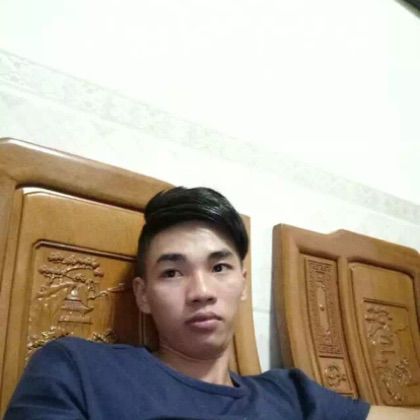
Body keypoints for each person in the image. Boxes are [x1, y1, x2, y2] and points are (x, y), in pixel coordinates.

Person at [4, 187, 419, 419]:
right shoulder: (78, 370)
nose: (201, 290)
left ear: (243, 283)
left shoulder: (290, 395)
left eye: (219, 267)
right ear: (143, 295)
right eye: (172, 272)